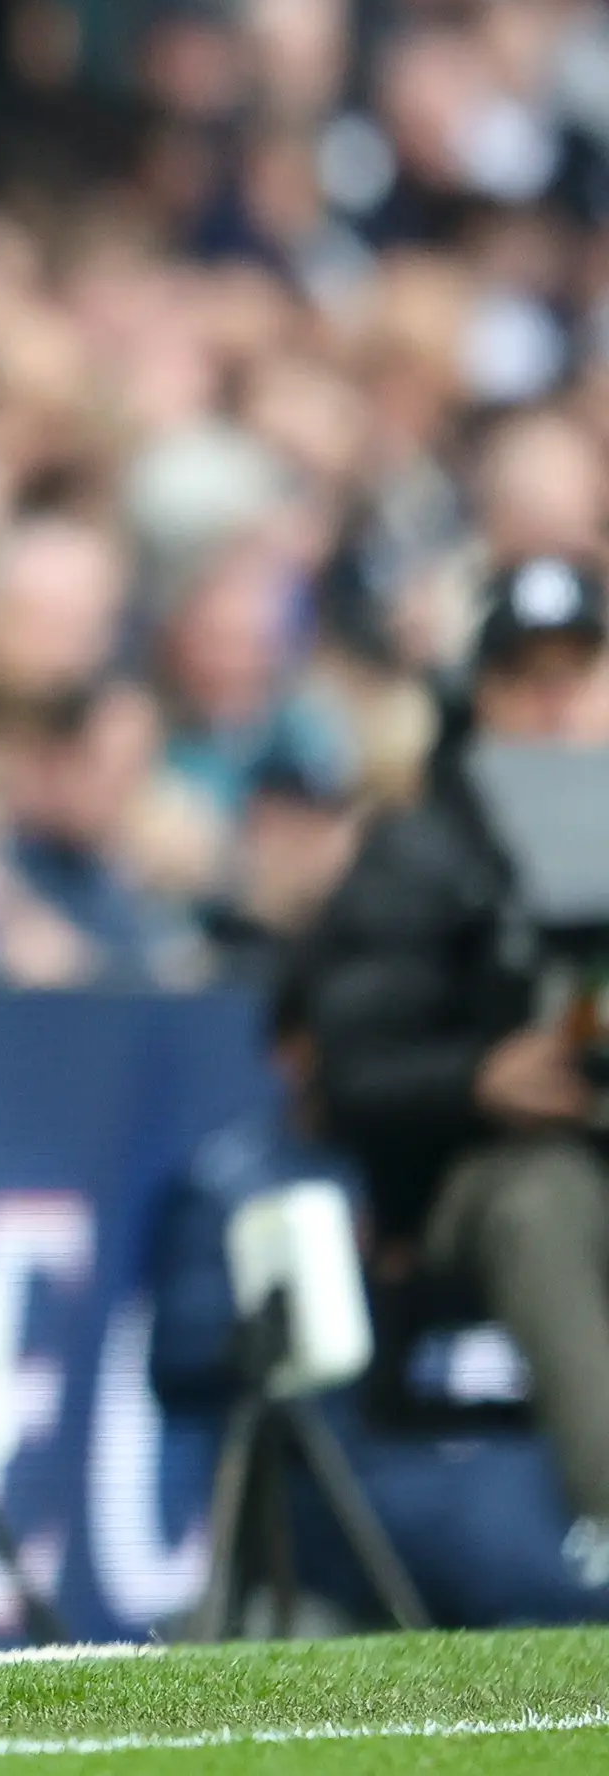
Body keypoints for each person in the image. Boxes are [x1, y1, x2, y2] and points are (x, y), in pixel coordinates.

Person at [313, 556, 609, 1586]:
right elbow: (348, 1066)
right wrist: (480, 1076)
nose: (557, 701)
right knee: (543, 1200)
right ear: (482, 694)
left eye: (581, 670)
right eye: (530, 675)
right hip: (474, 1178)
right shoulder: (424, 851)